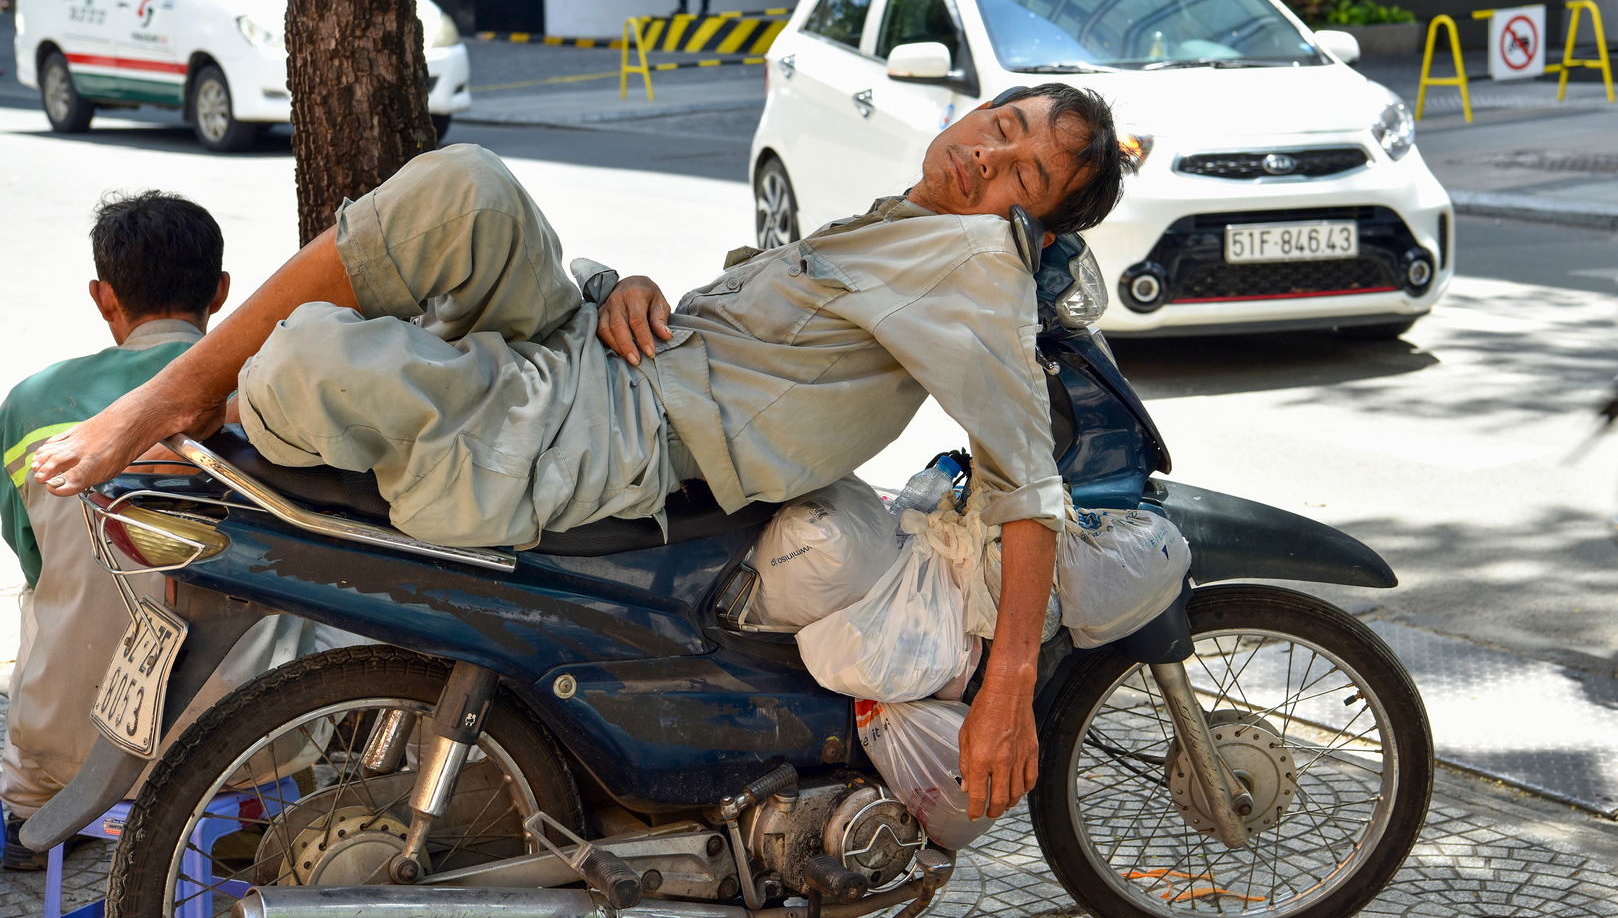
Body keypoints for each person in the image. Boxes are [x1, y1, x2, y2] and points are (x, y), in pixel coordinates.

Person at [32, 82, 1134, 824]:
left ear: (1028, 225)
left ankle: (195, 405)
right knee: (466, 185)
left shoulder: (978, 265)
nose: (990, 153)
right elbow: (743, 333)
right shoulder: (904, 216)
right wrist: (624, 289)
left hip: (628, 436)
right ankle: (185, 393)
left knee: (319, 359)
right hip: (614, 355)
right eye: (1003, 123)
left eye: (1023, 174)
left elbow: (1024, 484)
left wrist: (1009, 692)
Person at [0, 193, 231, 868]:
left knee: (46, 588)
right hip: (245, 745)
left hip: (65, 749)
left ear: (105, 297)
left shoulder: (33, 403)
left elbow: (32, 558)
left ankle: (37, 828)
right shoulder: (264, 389)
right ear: (220, 292)